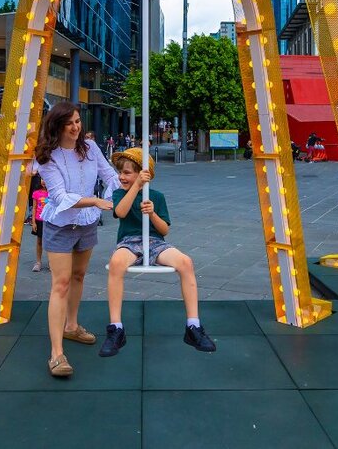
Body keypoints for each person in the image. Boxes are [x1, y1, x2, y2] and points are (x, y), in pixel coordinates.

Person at [100, 148, 216, 357]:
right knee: (116, 263)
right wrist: (135, 187)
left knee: (185, 262)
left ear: (144, 174)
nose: (121, 176)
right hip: (130, 241)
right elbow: (120, 212)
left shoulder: (157, 197)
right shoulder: (120, 193)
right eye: (121, 172)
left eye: (127, 173)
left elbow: (164, 230)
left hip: (154, 242)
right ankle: (116, 328)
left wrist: (152, 214)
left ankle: (193, 326)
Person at [36, 102, 119, 377]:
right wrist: (95, 200)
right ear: (57, 125)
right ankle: (56, 353)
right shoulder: (48, 156)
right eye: (69, 123)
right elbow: (59, 197)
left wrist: (124, 187)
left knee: (79, 275)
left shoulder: (90, 147)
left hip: (87, 221)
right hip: (61, 223)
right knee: (60, 283)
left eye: (78, 121)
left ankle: (71, 326)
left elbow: (110, 176)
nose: (76, 127)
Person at [30, 178, 48, 272]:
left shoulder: (54, 193)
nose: (44, 181)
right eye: (42, 179)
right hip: (39, 220)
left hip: (50, 221)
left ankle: (52, 263)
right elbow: (34, 208)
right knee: (39, 241)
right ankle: (38, 262)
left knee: (51, 242)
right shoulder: (36, 193)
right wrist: (33, 222)